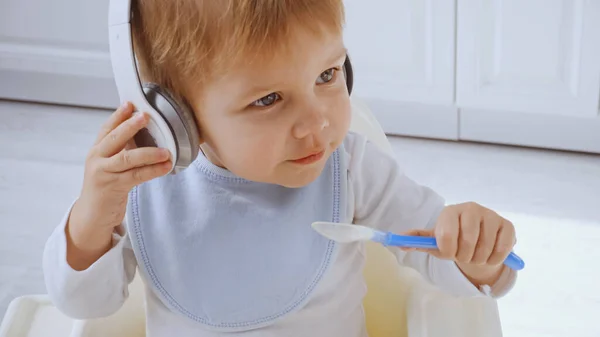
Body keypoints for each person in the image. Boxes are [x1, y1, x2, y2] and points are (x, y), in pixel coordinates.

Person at [42, 0, 518, 336]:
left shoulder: (351, 168)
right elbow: (87, 305)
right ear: (177, 118)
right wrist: (92, 218)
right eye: (268, 99)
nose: (318, 123)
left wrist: (476, 251)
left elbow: (434, 249)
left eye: (327, 75)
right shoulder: (144, 187)